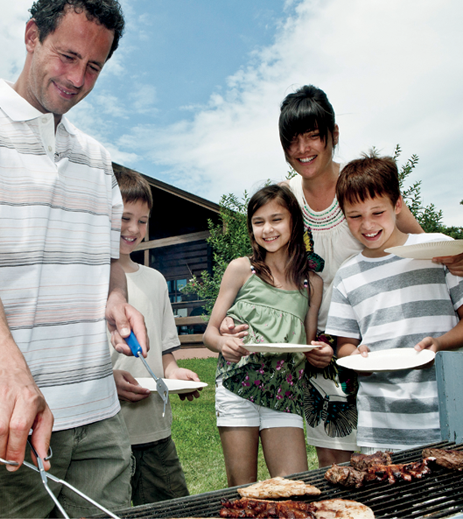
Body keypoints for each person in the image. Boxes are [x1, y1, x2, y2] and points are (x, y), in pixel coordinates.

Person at [0, 1, 148, 517]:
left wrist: (116, 300)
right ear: (32, 35)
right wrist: (7, 375)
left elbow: (107, 261)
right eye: (68, 56)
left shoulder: (97, 160)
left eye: (93, 66)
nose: (77, 78)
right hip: (3, 423)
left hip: (98, 417)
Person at [328, 152, 463, 452]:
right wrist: (356, 355)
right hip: (380, 427)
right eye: (355, 216)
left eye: (378, 212)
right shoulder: (347, 275)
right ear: (343, 214)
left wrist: (439, 343)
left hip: (446, 417)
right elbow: (345, 346)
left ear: (397, 204)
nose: (367, 225)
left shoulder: (439, 250)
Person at [203, 184, 333, 488]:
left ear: (294, 222)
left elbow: (308, 341)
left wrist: (320, 353)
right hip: (238, 387)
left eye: (277, 219)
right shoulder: (241, 269)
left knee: (293, 487)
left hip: (284, 394)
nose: (268, 229)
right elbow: (210, 333)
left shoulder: (311, 282)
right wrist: (224, 342)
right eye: (258, 221)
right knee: (242, 486)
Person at [110, 168, 199, 505]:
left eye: (142, 221)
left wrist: (175, 373)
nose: (133, 229)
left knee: (172, 508)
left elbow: (165, 350)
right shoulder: (87, 278)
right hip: (106, 431)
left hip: (155, 431)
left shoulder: (156, 280)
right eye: (124, 218)